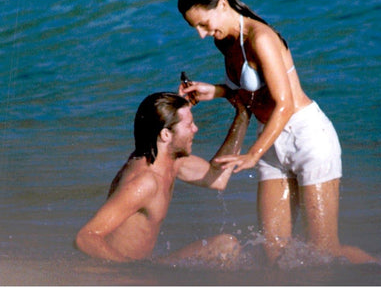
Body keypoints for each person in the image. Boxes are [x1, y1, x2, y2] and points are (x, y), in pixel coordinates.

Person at [176, 0, 378, 265]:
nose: (201, 34)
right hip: (272, 139)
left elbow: (283, 104)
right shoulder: (228, 42)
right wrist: (217, 92)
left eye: (203, 24)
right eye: (194, 27)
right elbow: (251, 94)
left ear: (221, 5)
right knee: (273, 251)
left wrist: (252, 154)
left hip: (308, 138)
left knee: (324, 251)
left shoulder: (261, 38)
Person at [75, 92, 250, 266]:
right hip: (120, 276)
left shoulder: (173, 162)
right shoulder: (144, 182)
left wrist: (243, 115)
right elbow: (86, 238)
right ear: (165, 134)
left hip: (143, 268)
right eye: (189, 124)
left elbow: (216, 178)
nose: (195, 129)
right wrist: (133, 273)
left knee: (225, 246)